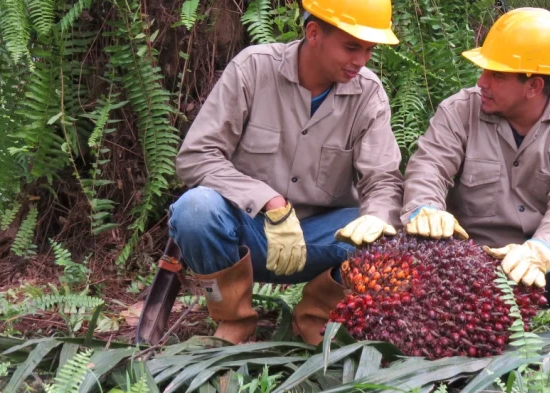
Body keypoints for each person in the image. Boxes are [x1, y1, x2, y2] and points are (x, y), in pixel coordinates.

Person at [169, 0, 404, 345]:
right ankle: (234, 321)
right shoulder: (254, 69)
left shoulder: (368, 94)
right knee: (195, 211)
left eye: (369, 49)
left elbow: (383, 179)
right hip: (249, 233)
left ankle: (316, 319)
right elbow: (196, 156)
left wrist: (377, 218)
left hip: (321, 240)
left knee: (389, 234)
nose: (361, 61)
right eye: (351, 47)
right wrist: (268, 200)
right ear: (313, 33)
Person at [402, 7, 550, 324]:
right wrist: (425, 208)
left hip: (545, 271)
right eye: (485, 70)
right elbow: (429, 167)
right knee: (397, 223)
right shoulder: (459, 112)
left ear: (533, 86)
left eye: (497, 75)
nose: (482, 81)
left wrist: (542, 251)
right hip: (463, 268)